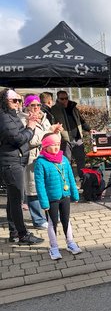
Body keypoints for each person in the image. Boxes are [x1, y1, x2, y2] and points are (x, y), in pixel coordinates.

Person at [0, 88, 44, 245]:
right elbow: (18, 139)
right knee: (17, 199)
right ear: (5, 101)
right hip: (11, 163)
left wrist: (29, 125)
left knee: (13, 199)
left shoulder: (11, 115)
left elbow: (21, 136)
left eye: (19, 100)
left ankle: (14, 232)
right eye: (14, 100)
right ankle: (22, 234)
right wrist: (30, 127)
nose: (18, 103)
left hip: (17, 161)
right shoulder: (3, 117)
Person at [34, 133, 82, 260]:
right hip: (51, 199)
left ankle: (70, 242)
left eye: (58, 144)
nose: (56, 147)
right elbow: (40, 184)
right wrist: (44, 202)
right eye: (52, 145)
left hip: (65, 196)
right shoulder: (41, 162)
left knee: (66, 219)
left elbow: (71, 178)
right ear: (45, 146)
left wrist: (75, 194)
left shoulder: (64, 159)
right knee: (52, 222)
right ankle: (54, 247)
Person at [21, 94, 63, 230]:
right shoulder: (23, 120)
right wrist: (49, 131)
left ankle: (51, 215)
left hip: (47, 157)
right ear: (26, 106)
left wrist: (56, 132)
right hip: (32, 159)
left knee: (48, 186)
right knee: (33, 188)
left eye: (38, 105)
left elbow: (52, 139)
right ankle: (38, 220)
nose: (36, 108)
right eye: (32, 105)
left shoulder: (44, 117)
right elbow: (30, 140)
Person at [50, 90, 90, 177]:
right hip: (65, 140)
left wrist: (89, 129)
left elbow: (81, 121)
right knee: (66, 162)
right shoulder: (54, 110)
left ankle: (84, 179)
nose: (64, 100)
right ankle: (68, 180)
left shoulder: (73, 108)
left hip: (77, 138)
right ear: (58, 99)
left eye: (66, 98)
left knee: (81, 160)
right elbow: (51, 125)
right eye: (62, 99)